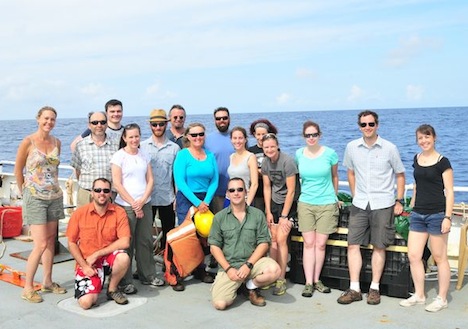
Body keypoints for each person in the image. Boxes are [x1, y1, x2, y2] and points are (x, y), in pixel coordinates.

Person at [337, 110, 405, 306]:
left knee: (379, 245)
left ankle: (374, 288)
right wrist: (354, 194)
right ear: (359, 126)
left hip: (383, 203)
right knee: (352, 244)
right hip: (360, 204)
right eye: (364, 124)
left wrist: (399, 200)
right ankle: (355, 288)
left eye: (371, 124)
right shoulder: (351, 147)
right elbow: (350, 172)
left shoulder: (390, 148)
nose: (367, 128)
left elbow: (400, 175)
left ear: (377, 125)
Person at [14, 106, 67, 303]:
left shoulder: (57, 143)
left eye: (52, 119)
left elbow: (54, 171)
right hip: (34, 197)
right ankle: (28, 287)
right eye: (46, 118)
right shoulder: (28, 142)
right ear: (38, 119)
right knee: (40, 243)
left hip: (54, 196)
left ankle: (47, 281)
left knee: (51, 240)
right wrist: (25, 192)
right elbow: (18, 170)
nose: (49, 122)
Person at [399, 124, 453, 312]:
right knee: (414, 255)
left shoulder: (442, 161)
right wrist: (412, 205)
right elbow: (416, 184)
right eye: (420, 138)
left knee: (439, 257)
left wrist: (447, 217)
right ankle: (420, 295)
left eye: (427, 137)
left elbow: (450, 191)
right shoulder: (416, 158)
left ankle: (442, 298)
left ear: (434, 138)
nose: (424, 141)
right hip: (418, 214)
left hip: (437, 214)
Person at [208, 177, 281, 310]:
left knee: (274, 270)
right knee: (220, 304)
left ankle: (250, 286)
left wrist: (248, 265)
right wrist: (229, 269)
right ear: (227, 194)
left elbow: (264, 242)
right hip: (230, 266)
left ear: (246, 192)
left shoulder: (257, 215)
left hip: (252, 264)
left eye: (240, 189)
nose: (236, 193)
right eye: (232, 190)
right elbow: (214, 247)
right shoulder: (219, 218)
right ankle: (237, 286)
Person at [111, 123, 164, 294]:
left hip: (144, 204)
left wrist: (141, 201)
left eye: (137, 136)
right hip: (125, 206)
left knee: (145, 241)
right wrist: (134, 203)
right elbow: (117, 184)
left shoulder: (144, 155)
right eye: (130, 136)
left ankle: (147, 274)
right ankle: (124, 281)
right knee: (127, 243)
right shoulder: (119, 157)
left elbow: (150, 180)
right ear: (125, 138)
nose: (134, 139)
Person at [66, 178, 131, 309]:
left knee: (123, 257)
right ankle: (96, 284)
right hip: (88, 262)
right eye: (98, 190)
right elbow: (71, 242)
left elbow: (125, 241)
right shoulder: (79, 214)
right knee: (86, 303)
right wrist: (84, 266)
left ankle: (112, 289)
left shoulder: (119, 212)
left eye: (106, 190)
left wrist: (97, 254)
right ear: (92, 192)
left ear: (110, 194)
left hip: (107, 258)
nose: (102, 193)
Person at [295, 121, 339, 297]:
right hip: (306, 203)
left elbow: (335, 176)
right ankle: (308, 282)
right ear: (303, 137)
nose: (311, 138)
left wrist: (335, 197)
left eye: (314, 134)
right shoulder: (299, 154)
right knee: (309, 243)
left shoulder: (330, 154)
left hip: (327, 204)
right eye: (308, 135)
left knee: (320, 245)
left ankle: (316, 280)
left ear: (319, 135)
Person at [173, 122, 219, 290]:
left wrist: (206, 201)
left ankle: (200, 269)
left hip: (206, 199)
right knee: (185, 236)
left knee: (202, 238)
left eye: (201, 134)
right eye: (194, 135)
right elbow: (180, 182)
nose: (198, 138)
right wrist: (197, 203)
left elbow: (214, 180)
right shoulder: (183, 155)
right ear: (187, 137)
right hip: (188, 198)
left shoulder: (210, 155)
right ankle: (178, 272)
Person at [261, 133, 300, 296]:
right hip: (275, 203)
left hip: (290, 205)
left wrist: (284, 216)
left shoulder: (288, 161)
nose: (269, 150)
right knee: (273, 241)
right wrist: (268, 211)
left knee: (282, 239)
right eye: (266, 147)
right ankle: (273, 274)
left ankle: (281, 278)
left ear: (277, 146)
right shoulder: (265, 162)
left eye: (272, 146)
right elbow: (267, 187)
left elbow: (291, 191)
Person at [140, 109, 180, 250]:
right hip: (147, 199)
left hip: (167, 197)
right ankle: (145, 265)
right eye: (155, 124)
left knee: (169, 234)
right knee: (144, 234)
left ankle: (168, 266)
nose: (158, 127)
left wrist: (177, 197)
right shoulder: (142, 147)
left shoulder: (175, 148)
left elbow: (176, 175)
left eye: (161, 124)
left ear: (166, 125)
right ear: (150, 125)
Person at [71, 111, 119, 207]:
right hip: (86, 194)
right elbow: (77, 171)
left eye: (102, 122)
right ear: (89, 125)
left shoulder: (116, 145)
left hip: (108, 195)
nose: (99, 125)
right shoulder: (80, 145)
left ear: (107, 124)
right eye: (95, 122)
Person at [205, 107, 234, 214]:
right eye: (218, 118)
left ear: (229, 119)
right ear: (214, 120)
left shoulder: (237, 138)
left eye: (224, 118)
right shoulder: (207, 140)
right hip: (216, 192)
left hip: (237, 191)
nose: (221, 120)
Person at [248, 119, 278, 212]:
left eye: (263, 134)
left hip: (273, 192)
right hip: (257, 193)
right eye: (258, 134)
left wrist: (258, 171)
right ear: (254, 134)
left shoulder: (273, 150)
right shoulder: (250, 151)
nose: (261, 137)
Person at [227, 126, 258, 206]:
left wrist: (247, 204)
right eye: (235, 138)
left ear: (245, 139)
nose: (237, 141)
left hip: (245, 199)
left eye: (240, 138)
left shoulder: (251, 157)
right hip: (230, 199)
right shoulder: (231, 157)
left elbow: (254, 184)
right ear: (231, 140)